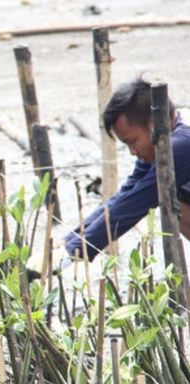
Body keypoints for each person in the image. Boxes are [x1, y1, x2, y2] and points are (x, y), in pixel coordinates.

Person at [63, 77, 190, 261]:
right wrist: (69, 241)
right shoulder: (161, 141)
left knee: (170, 198)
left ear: (153, 125)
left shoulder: (181, 145)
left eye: (132, 141)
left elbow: (132, 205)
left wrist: (71, 254)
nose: (132, 152)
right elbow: (126, 194)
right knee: (173, 199)